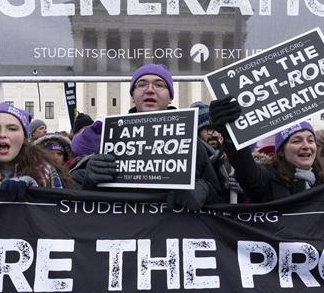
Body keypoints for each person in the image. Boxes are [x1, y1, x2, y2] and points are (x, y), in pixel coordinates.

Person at [74, 64, 225, 208]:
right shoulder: (110, 141)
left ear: (170, 97)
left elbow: (222, 201)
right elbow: (85, 206)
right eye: (141, 84)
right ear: (133, 96)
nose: (150, 90)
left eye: (159, 84)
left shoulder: (193, 144)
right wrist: (89, 182)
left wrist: (205, 191)